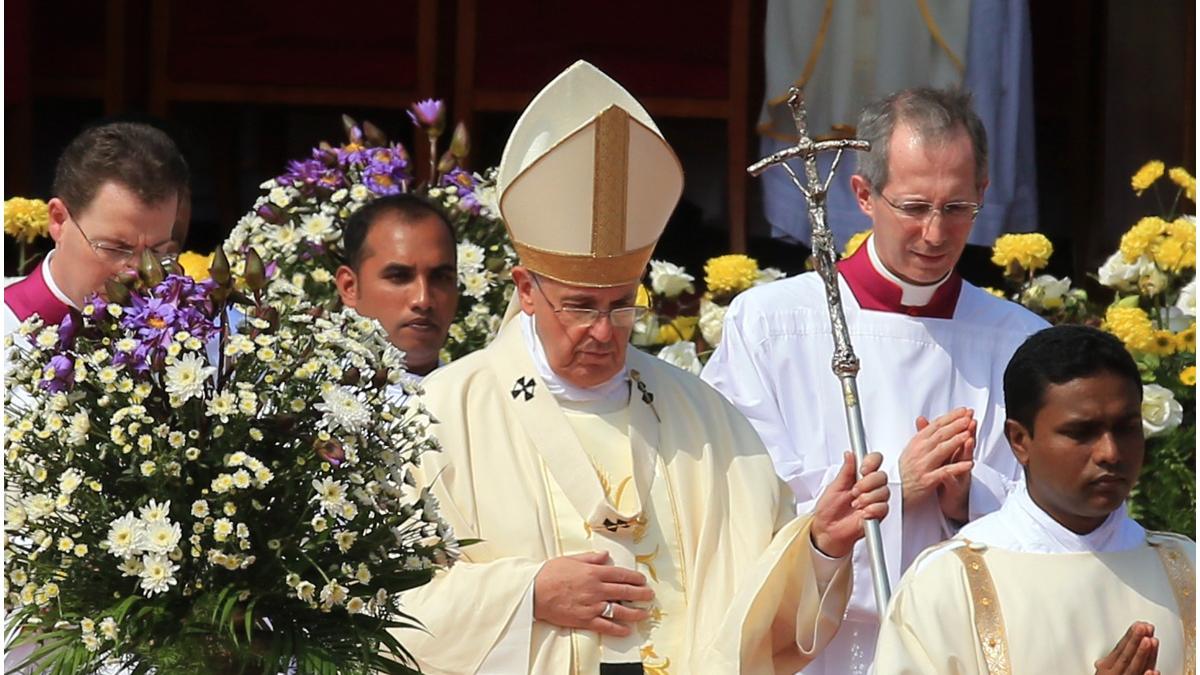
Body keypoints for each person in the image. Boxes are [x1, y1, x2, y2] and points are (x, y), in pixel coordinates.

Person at [397, 60, 890, 674]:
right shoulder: (438, 416)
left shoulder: (705, 421)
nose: (604, 332)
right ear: (525, 288)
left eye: (621, 305)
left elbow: (758, 625)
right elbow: (386, 609)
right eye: (579, 306)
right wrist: (529, 596)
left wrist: (819, 547)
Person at [701, 86, 1049, 673]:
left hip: (958, 650)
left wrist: (968, 499)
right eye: (914, 208)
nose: (935, 235)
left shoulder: (1020, 342)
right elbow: (736, 507)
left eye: (957, 208)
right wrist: (894, 486)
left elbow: (1055, 521)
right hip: (809, 651)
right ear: (863, 194)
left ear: (983, 194)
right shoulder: (772, 326)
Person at [873, 325, 1195, 674]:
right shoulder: (947, 583)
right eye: (1080, 432)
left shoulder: (1187, 568)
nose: (1110, 452)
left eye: (1126, 427)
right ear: (1020, 440)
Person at [3, 121, 188, 337]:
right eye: (116, 248)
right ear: (59, 220)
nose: (136, 272)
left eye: (156, 251)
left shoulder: (184, 334)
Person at [334, 193, 459, 380]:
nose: (423, 300)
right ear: (349, 287)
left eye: (440, 277)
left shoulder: (485, 400)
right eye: (399, 277)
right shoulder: (302, 399)